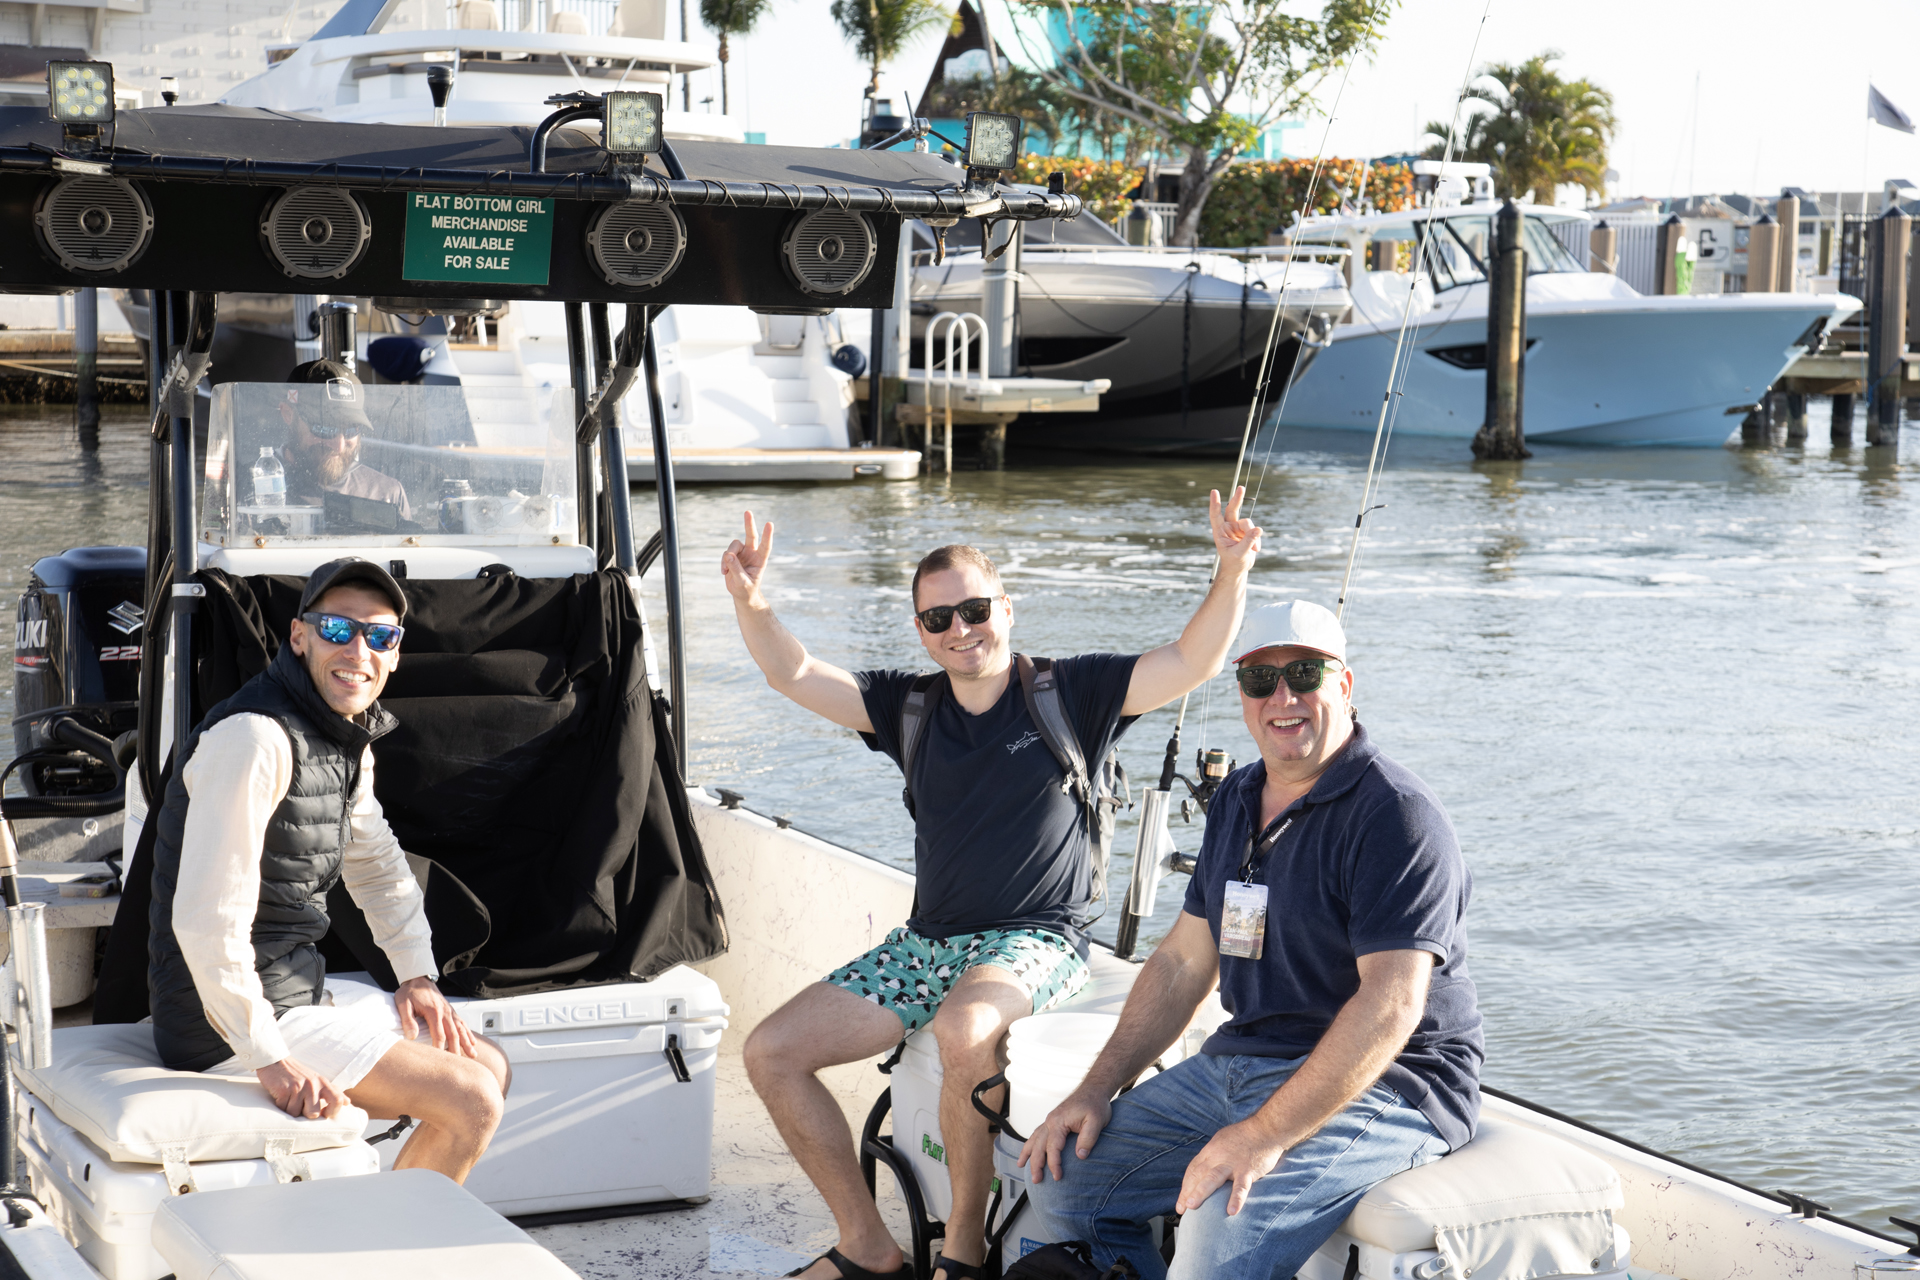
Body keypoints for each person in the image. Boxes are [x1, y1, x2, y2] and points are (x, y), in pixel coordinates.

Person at [723, 491, 1264, 1280]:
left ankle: (963, 1250)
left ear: (1005, 609)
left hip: (1039, 939)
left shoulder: (1069, 694)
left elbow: (1192, 662)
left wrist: (1231, 570)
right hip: (926, 944)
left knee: (964, 1026)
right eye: (938, 618)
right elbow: (794, 673)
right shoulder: (909, 707)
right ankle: (868, 1246)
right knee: (771, 1052)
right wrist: (751, 599)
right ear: (921, 630)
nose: (960, 629)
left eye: (974, 610)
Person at [1019, 600, 1483, 1280]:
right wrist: (1095, 1088)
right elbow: (1183, 961)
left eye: (1305, 674)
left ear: (1344, 685)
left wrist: (1262, 1135)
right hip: (1246, 1058)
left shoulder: (1397, 814)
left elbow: (1391, 1006)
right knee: (1067, 1182)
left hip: (1394, 1081)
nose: (1282, 698)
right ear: (1241, 693)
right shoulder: (1238, 796)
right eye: (1260, 680)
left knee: (1217, 1229)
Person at [146, 557, 509, 1184]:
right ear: (299, 636)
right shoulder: (253, 740)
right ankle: (391, 1236)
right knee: (470, 1099)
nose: (358, 651)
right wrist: (268, 1058)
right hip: (216, 1020)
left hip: (291, 987)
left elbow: (378, 866)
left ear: (395, 653)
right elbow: (207, 922)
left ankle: (384, 1221)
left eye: (380, 635)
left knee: (490, 1066)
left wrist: (416, 974)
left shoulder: (341, 739)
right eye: (338, 629)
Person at [278, 361, 413, 520]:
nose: (339, 446)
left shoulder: (385, 493)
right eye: (325, 428)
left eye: (351, 429)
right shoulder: (258, 488)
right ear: (288, 414)